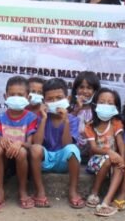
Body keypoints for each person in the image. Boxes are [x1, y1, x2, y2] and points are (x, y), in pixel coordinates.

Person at [29, 78, 84, 209]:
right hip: (46, 161)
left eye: (59, 98)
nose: (55, 102)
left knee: (73, 148)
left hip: (63, 161)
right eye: (50, 99)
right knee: (35, 148)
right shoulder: (39, 117)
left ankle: (73, 190)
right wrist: (43, 119)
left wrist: (66, 121)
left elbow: (67, 145)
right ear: (44, 102)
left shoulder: (73, 119)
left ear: (67, 98)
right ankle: (40, 191)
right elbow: (37, 142)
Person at [0, 76, 39, 211]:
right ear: (5, 96)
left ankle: (22, 190)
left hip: (22, 158)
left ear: (28, 98)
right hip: (4, 158)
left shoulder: (31, 118)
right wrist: (0, 139)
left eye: (20, 95)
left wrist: (20, 144)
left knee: (21, 151)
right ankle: (0, 191)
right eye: (12, 94)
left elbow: (30, 144)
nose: (16, 97)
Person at [84, 88, 125, 217]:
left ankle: (106, 202)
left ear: (116, 107)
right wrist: (109, 152)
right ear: (95, 104)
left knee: (119, 165)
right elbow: (94, 148)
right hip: (96, 161)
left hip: (113, 159)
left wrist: (122, 158)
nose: (106, 105)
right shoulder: (90, 126)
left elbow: (120, 142)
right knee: (108, 160)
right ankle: (94, 193)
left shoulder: (116, 123)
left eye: (110, 103)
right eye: (102, 102)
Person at [70, 71, 100, 160]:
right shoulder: (69, 107)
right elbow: (67, 124)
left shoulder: (97, 110)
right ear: (76, 89)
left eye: (89, 88)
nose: (84, 91)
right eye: (81, 87)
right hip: (74, 150)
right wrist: (77, 109)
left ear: (95, 91)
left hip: (91, 150)